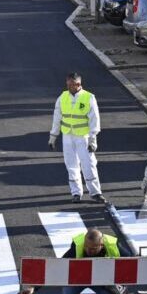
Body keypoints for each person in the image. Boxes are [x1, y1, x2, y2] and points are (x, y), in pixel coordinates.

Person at [48, 72, 105, 203]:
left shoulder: (88, 97)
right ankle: (76, 193)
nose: (68, 87)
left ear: (78, 84)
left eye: (71, 85)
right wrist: (53, 136)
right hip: (68, 136)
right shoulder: (62, 97)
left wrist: (92, 139)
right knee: (71, 165)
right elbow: (57, 118)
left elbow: (94, 120)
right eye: (67, 84)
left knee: (89, 164)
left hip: (83, 137)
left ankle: (95, 192)